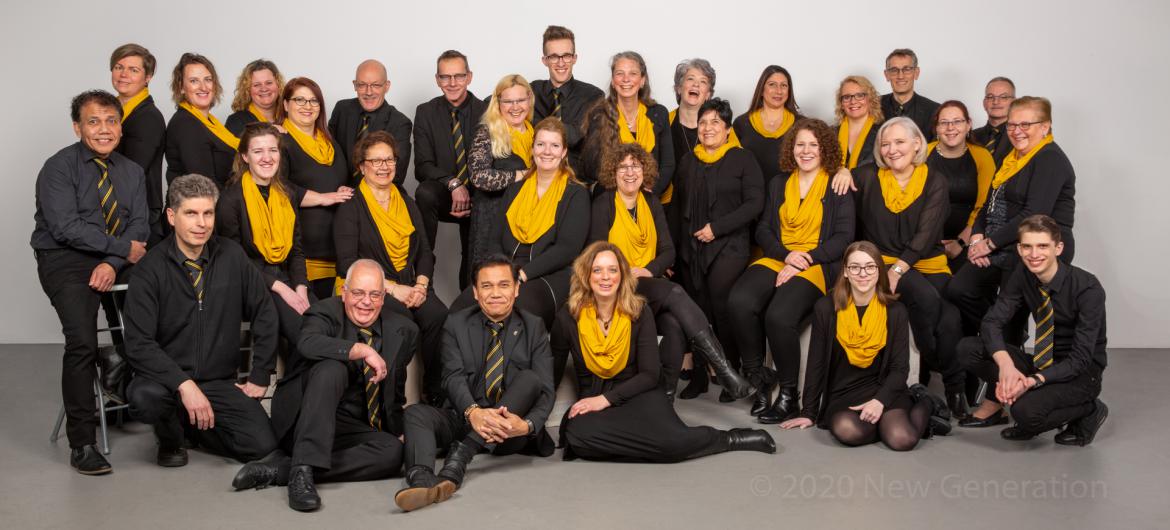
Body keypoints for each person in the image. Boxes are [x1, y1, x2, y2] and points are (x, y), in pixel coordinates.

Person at [553, 242, 775, 461]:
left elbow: (649, 375)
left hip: (638, 393)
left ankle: (730, 439)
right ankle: (650, 444)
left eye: (613, 270)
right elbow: (553, 372)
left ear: (622, 276)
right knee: (577, 433)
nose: (605, 277)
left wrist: (605, 399)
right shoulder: (568, 316)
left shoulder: (639, 311)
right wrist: (537, 424)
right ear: (586, 275)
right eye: (597, 270)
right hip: (593, 402)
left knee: (671, 443)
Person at [233, 260, 419, 512]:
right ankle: (301, 471)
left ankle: (285, 469)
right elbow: (307, 342)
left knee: (393, 452)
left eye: (374, 294)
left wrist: (396, 430)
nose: (366, 302)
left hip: (348, 425)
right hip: (304, 417)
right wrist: (358, 350)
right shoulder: (323, 312)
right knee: (333, 368)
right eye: (358, 293)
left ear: (383, 297)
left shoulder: (404, 330)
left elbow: (394, 391)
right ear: (344, 292)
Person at [124, 174, 279, 468]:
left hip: (218, 381)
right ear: (172, 216)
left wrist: (261, 374)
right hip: (166, 381)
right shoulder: (150, 269)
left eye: (208, 213)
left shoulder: (232, 256)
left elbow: (265, 312)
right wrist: (184, 384)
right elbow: (138, 343)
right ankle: (171, 437)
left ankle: (193, 426)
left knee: (262, 446)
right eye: (191, 213)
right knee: (145, 397)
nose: (202, 223)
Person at [31, 90, 149, 475]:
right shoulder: (58, 168)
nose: (104, 129)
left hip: (113, 257)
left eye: (111, 121)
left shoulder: (132, 171)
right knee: (82, 341)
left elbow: (140, 226)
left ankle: (129, 377)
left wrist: (113, 262)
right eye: (93, 121)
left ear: (120, 127)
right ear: (77, 127)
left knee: (160, 309)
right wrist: (120, 250)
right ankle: (82, 443)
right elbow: (66, 228)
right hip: (63, 257)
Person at [589, 142, 754, 402]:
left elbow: (668, 252)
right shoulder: (603, 204)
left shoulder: (652, 202)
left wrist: (648, 269)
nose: (630, 173)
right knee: (675, 291)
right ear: (613, 172)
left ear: (645, 171)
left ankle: (665, 398)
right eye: (623, 167)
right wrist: (627, 272)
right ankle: (724, 370)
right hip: (615, 284)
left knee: (674, 325)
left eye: (636, 166)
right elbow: (597, 254)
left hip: (647, 281)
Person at [394, 255, 556, 512]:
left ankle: (461, 457)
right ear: (475, 292)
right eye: (486, 286)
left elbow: (546, 390)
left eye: (504, 285)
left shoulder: (533, 326)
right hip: (465, 416)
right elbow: (452, 376)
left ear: (516, 289)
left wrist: (526, 426)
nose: (495, 293)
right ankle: (422, 480)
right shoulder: (456, 323)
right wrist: (473, 412)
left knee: (530, 379)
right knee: (415, 413)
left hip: (508, 430)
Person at [728, 118, 854, 423]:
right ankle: (759, 380)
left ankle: (788, 396)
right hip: (780, 255)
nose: (806, 151)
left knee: (779, 316)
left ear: (824, 149)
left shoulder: (836, 184)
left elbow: (843, 237)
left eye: (813, 145)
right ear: (791, 149)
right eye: (800, 145)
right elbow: (764, 229)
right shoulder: (779, 183)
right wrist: (787, 256)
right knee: (739, 302)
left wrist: (804, 259)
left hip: (818, 262)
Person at [845, 117, 966, 417]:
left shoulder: (934, 180)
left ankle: (953, 387)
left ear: (917, 144)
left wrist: (899, 270)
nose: (891, 149)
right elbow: (837, 181)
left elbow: (926, 234)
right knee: (926, 299)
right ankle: (932, 371)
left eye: (899, 142)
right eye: (885, 144)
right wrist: (841, 171)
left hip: (926, 262)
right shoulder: (868, 176)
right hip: (881, 262)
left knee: (951, 317)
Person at [778, 241, 950, 450]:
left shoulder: (895, 311)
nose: (863, 274)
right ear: (846, 272)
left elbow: (899, 368)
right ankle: (888, 422)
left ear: (879, 271)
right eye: (855, 267)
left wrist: (879, 402)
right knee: (847, 430)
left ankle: (926, 402)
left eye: (870, 267)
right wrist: (809, 413)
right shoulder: (826, 308)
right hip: (844, 393)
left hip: (883, 389)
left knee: (900, 439)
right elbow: (817, 363)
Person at [957, 215, 1107, 445]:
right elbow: (991, 322)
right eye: (1027, 246)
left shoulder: (1087, 288)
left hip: (1082, 372)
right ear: (1019, 249)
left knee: (1025, 413)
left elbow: (1080, 359)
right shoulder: (1024, 274)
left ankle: (1090, 409)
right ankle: (1035, 398)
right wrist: (1006, 367)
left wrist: (1031, 381)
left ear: (1058, 248)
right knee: (968, 349)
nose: (1034, 254)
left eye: (1042, 246)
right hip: (1043, 361)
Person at [945, 97, 1077, 340]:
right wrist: (977, 237)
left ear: (1045, 126)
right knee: (959, 290)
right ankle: (998, 335)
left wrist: (989, 244)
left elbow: (1034, 215)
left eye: (1025, 125)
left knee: (1008, 313)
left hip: (1032, 247)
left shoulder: (1050, 158)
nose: (1017, 131)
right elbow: (989, 203)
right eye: (1012, 125)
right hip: (1000, 243)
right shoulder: (1011, 158)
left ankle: (1006, 342)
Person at [333, 131, 449, 405]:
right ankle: (392, 400)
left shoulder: (407, 202)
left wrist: (421, 286)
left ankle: (434, 393)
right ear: (362, 166)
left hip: (411, 284)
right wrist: (394, 289)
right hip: (373, 289)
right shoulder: (351, 206)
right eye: (376, 161)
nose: (384, 167)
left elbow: (424, 251)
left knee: (439, 316)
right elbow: (346, 263)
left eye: (389, 160)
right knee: (403, 322)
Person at [455, 118, 589, 331]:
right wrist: (500, 273)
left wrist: (522, 274)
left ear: (564, 152)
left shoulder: (576, 193)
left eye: (554, 145)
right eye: (541, 144)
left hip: (550, 275)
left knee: (516, 312)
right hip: (507, 270)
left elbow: (567, 249)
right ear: (532, 149)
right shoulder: (515, 189)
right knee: (460, 310)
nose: (547, 151)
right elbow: (495, 240)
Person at [671, 97, 764, 400]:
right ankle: (699, 376)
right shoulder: (688, 161)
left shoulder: (743, 159)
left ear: (727, 129)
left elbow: (755, 204)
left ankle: (730, 374)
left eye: (715, 122)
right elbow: (677, 207)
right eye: (703, 122)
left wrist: (717, 228)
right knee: (695, 313)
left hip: (729, 245)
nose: (708, 128)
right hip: (691, 248)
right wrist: (674, 250)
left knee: (722, 310)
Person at [216, 123, 312, 350]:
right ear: (245, 157)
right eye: (258, 151)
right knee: (305, 334)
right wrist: (282, 289)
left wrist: (301, 288)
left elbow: (296, 250)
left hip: (288, 278)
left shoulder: (287, 194)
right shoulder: (230, 200)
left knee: (323, 324)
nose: (267, 158)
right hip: (252, 284)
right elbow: (235, 261)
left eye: (273, 150)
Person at [412, 50, 486, 289]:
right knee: (424, 192)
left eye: (459, 76)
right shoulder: (425, 112)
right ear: (437, 79)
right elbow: (422, 166)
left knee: (474, 254)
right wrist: (454, 184)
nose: (452, 83)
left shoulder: (487, 111)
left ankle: (469, 298)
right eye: (445, 77)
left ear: (469, 77)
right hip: (444, 193)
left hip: (479, 197)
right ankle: (423, 283)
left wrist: (474, 194)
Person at [279, 77, 351, 300]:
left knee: (335, 313)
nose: (307, 106)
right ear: (286, 104)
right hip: (303, 252)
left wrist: (343, 188)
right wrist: (321, 197)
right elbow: (277, 186)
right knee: (309, 314)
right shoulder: (279, 141)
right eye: (299, 100)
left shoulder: (329, 141)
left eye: (313, 101)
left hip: (334, 250)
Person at [466, 74, 536, 270]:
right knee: (489, 274)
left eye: (520, 100)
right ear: (498, 103)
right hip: (493, 218)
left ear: (529, 100)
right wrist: (521, 175)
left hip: (526, 219)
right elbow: (478, 177)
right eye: (508, 101)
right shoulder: (487, 132)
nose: (515, 107)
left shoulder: (535, 132)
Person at [580, 51, 674, 196]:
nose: (626, 79)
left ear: (642, 80)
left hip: (649, 196)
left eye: (633, 73)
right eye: (620, 73)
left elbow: (668, 164)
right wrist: (625, 191)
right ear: (613, 81)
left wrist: (650, 193)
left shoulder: (659, 113)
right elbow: (590, 167)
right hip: (610, 197)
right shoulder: (599, 114)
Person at [926, 100, 995, 275]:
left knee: (959, 287)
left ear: (968, 125)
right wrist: (929, 242)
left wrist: (961, 242)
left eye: (957, 121)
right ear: (936, 127)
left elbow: (984, 206)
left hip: (970, 241)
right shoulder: (922, 154)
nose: (950, 128)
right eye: (944, 122)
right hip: (925, 241)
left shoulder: (982, 156)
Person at [109, 43, 167, 244]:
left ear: (148, 77)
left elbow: (132, 170)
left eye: (133, 70)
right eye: (119, 67)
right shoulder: (109, 112)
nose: (123, 74)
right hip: (114, 208)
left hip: (138, 213)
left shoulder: (148, 117)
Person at [531, 25, 604, 175]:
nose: (561, 63)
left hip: (576, 178)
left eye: (566, 56)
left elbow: (574, 137)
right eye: (554, 57)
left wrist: (534, 122)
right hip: (537, 175)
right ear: (544, 60)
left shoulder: (593, 96)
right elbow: (499, 102)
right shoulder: (532, 91)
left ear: (574, 58)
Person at [329, 60, 413, 183]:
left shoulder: (400, 123)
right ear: (355, 85)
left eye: (376, 85)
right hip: (338, 188)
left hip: (379, 190)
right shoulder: (342, 109)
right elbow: (328, 155)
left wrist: (357, 194)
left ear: (387, 86)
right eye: (362, 85)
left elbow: (396, 175)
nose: (369, 92)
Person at [165, 53, 237, 189]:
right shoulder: (186, 125)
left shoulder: (210, 122)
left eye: (208, 80)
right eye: (194, 81)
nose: (203, 87)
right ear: (181, 87)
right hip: (199, 202)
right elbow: (205, 185)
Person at [732, 65, 804, 185]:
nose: (779, 91)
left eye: (784, 85)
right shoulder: (741, 123)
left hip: (791, 193)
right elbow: (732, 164)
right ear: (761, 89)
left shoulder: (802, 125)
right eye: (772, 84)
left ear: (789, 91)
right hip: (749, 193)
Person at [880, 48, 940, 142]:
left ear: (916, 73)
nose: (900, 76)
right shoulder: (874, 106)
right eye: (894, 70)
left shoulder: (935, 111)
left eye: (907, 69)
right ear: (887, 75)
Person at [668, 58, 716, 168]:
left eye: (703, 81)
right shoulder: (663, 122)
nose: (696, 84)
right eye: (690, 79)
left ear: (708, 94)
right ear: (679, 88)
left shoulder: (721, 126)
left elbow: (738, 160)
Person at [225, 59, 284, 136]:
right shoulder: (236, 121)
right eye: (257, 85)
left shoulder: (290, 117)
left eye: (269, 83)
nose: (264, 89)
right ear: (247, 89)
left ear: (278, 85)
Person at [835, 75, 883, 170]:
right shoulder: (831, 133)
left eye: (860, 96)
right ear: (841, 103)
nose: (853, 101)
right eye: (847, 97)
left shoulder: (883, 132)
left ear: (870, 99)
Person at [971, 77, 1016, 166]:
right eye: (990, 97)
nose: (996, 102)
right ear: (984, 103)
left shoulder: (1021, 136)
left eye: (1003, 97)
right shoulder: (971, 137)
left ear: (1014, 103)